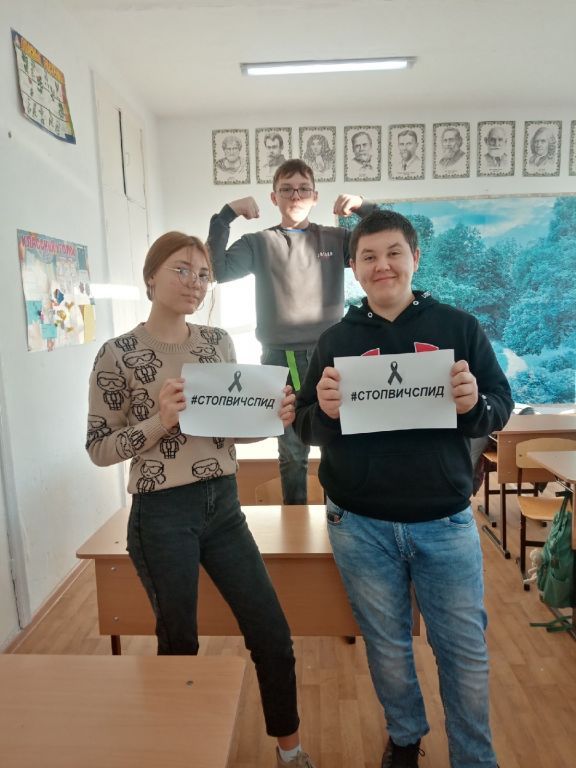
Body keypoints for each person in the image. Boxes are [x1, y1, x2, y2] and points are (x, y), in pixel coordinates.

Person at [86, 232, 316, 768]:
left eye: (204, 275)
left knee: (272, 632)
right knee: (179, 645)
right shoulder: (117, 354)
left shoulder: (217, 343)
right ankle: (182, 754)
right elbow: (99, 448)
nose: (195, 283)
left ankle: (291, 752)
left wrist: (271, 419)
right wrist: (160, 420)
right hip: (161, 514)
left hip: (224, 508)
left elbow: (228, 433)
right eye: (182, 270)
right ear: (151, 276)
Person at [294, 210, 513, 768]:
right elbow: (304, 426)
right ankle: (405, 738)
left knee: (463, 652)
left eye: (393, 253)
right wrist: (323, 413)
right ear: (354, 267)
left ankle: (474, 758)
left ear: (415, 257)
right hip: (358, 524)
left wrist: (475, 407)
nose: (382, 265)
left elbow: (499, 406)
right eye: (368, 256)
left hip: (445, 520)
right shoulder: (335, 340)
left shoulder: (459, 327)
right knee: (387, 648)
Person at [207, 158, 376, 504]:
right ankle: (295, 521)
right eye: (286, 189)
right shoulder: (259, 243)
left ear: (315, 196)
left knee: (337, 443)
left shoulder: (336, 238)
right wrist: (226, 215)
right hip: (278, 360)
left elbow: (382, 238)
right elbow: (217, 270)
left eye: (303, 189)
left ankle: (339, 516)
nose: (295, 195)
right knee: (291, 452)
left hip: (329, 356)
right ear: (274, 198)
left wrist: (363, 207)